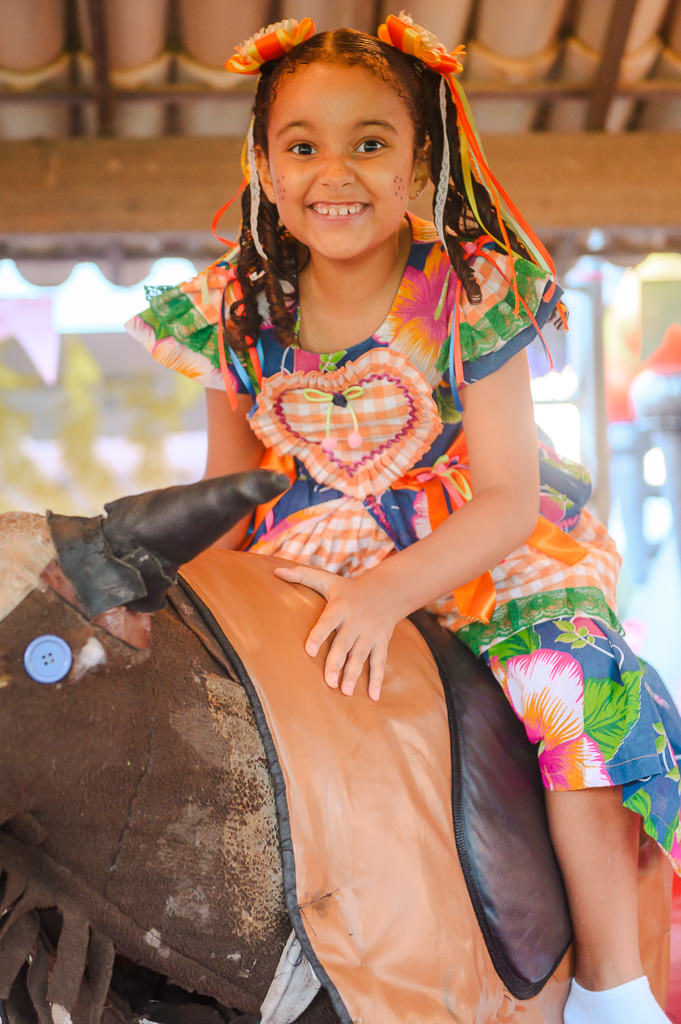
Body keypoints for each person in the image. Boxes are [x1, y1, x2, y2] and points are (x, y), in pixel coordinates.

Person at [126, 15, 681, 1023]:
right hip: (303, 550)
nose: (334, 172)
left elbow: (511, 493)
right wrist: (161, 596)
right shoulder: (232, 311)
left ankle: (611, 985)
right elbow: (229, 483)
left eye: (370, 143)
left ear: (421, 159)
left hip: (474, 550)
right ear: (263, 162)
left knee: (571, 689)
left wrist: (389, 592)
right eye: (302, 146)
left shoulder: (472, 290)